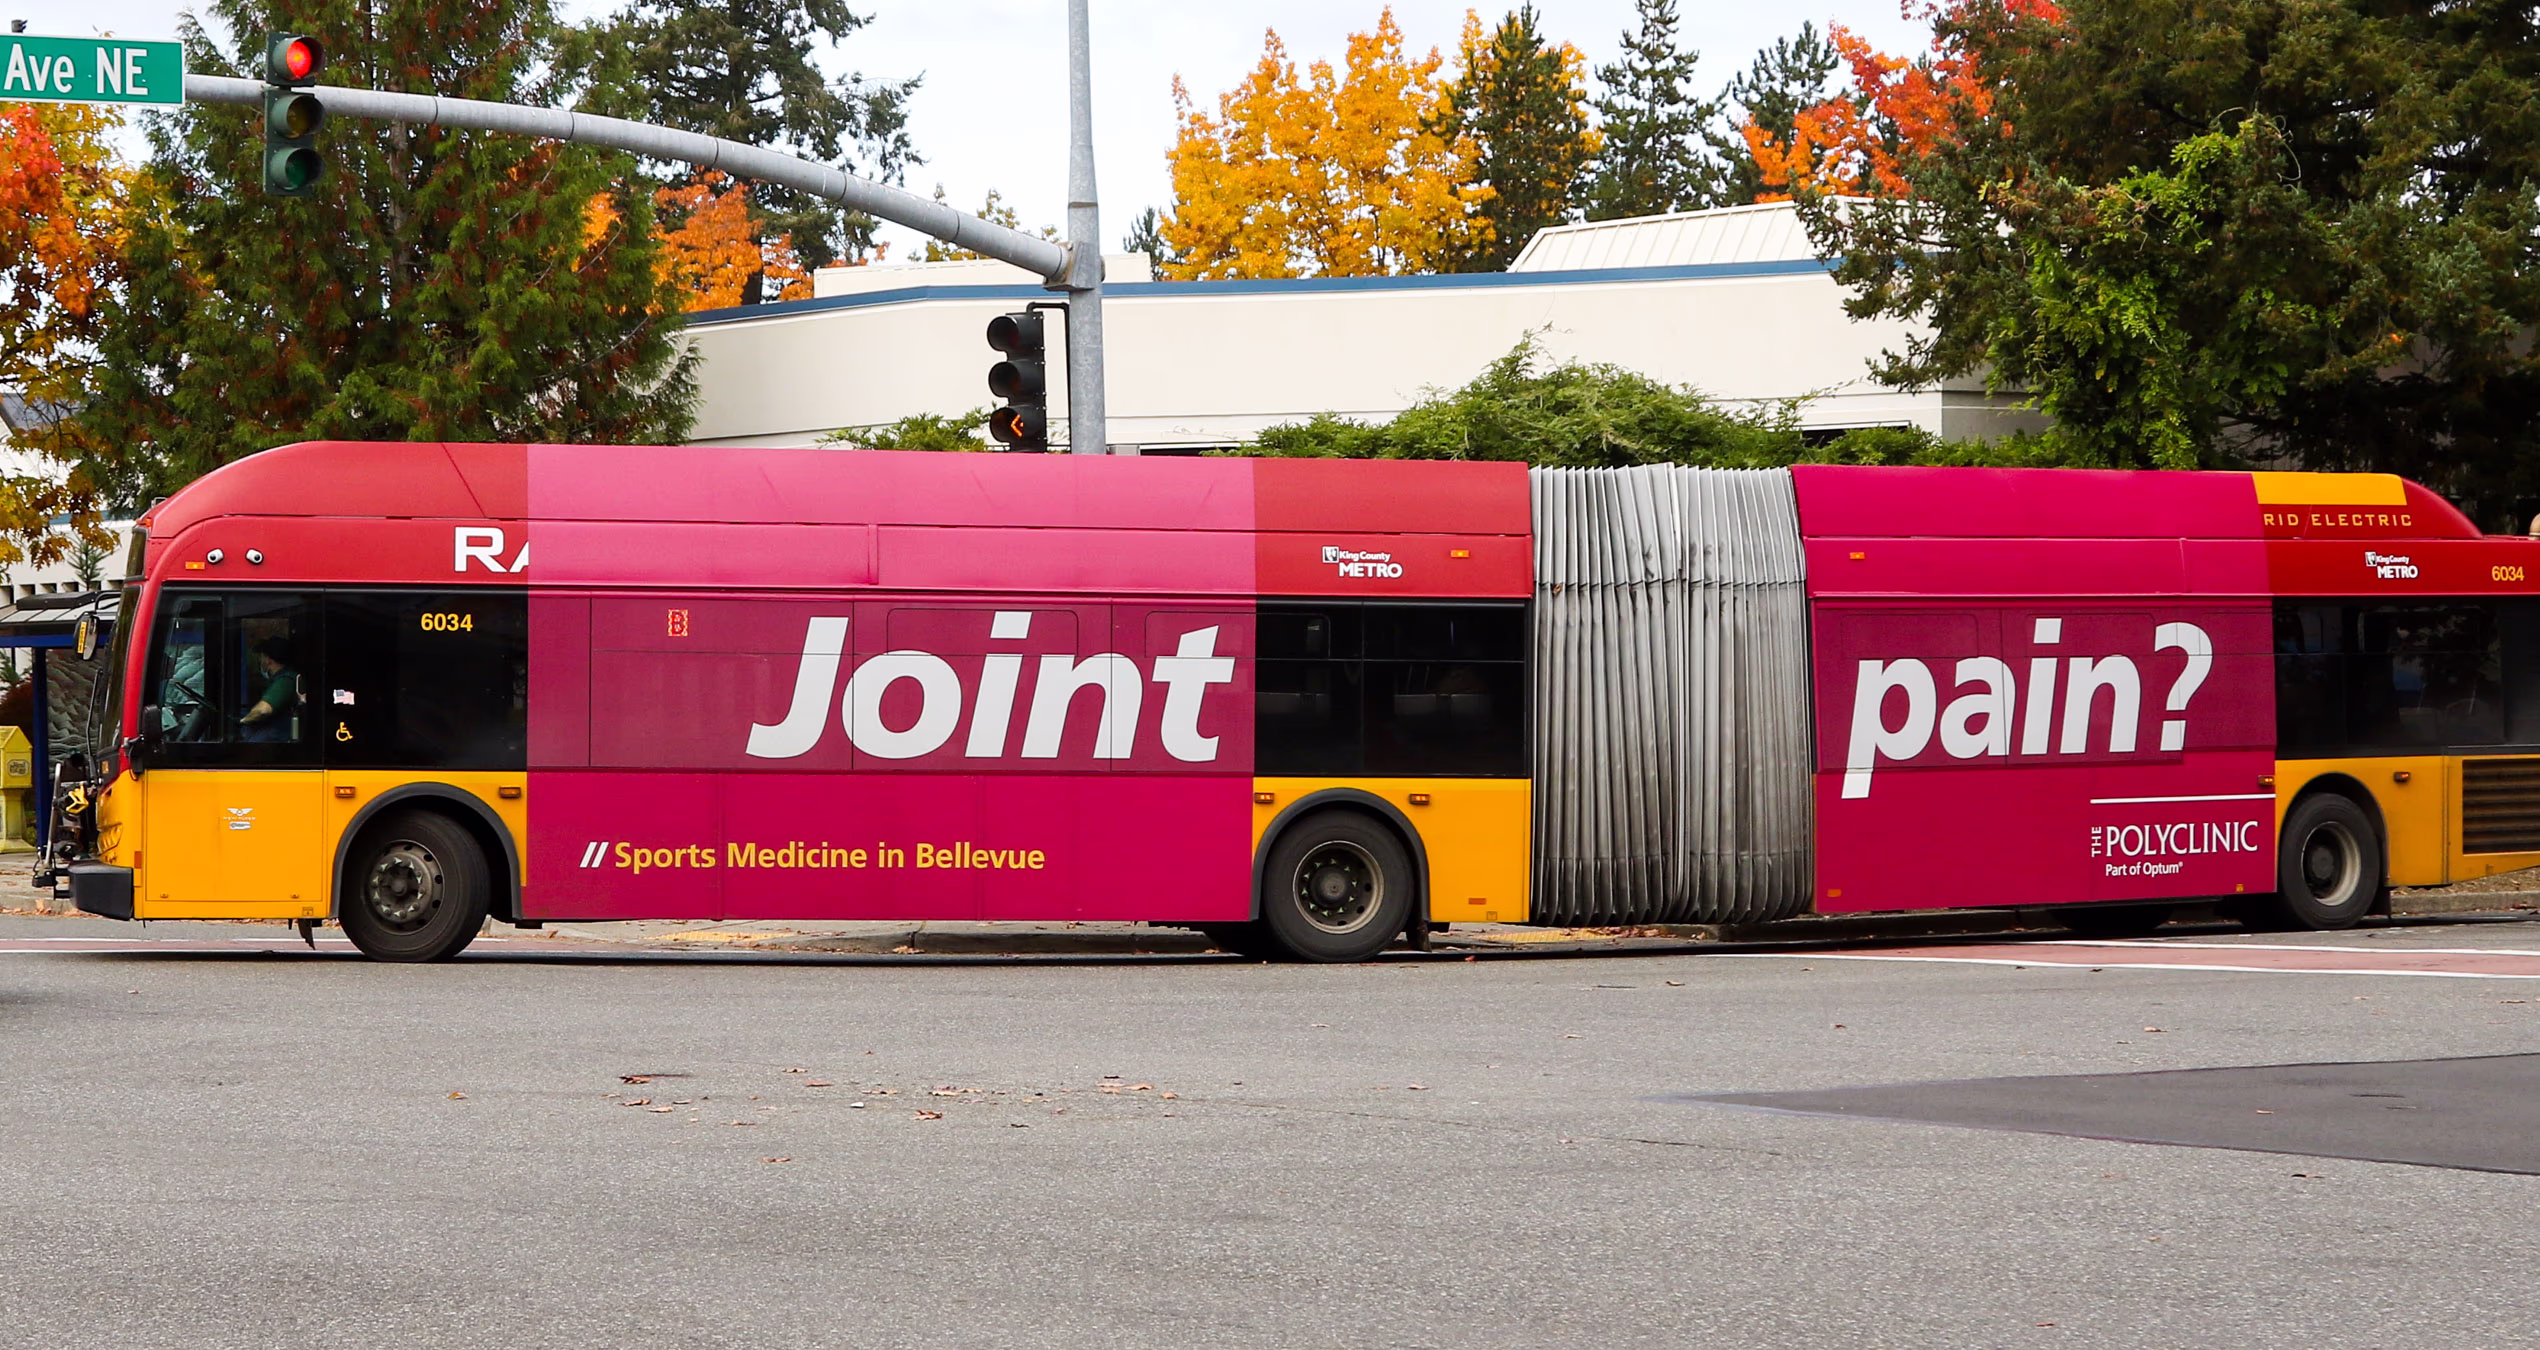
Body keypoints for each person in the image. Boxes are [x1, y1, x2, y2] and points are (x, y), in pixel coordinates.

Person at [239, 638, 300, 742]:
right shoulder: (282, 679)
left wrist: (244, 721)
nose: (260, 660)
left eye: (261, 657)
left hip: (279, 740)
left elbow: (262, 711)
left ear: (268, 660)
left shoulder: (285, 681)